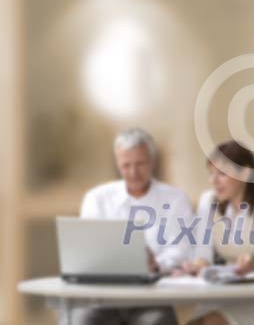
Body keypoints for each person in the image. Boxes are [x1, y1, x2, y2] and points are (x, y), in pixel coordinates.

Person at [75, 128, 194, 325]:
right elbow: (86, 251)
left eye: (140, 164)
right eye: (126, 165)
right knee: (79, 321)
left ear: (153, 162)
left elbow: (183, 250)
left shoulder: (175, 199)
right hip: (102, 298)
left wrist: (155, 264)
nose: (133, 172)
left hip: (152, 299)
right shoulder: (97, 198)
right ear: (118, 164)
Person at [185, 140, 254, 325]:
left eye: (221, 174)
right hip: (223, 289)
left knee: (212, 322)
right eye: (211, 174)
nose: (214, 181)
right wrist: (197, 266)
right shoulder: (209, 201)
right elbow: (202, 255)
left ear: (244, 172)